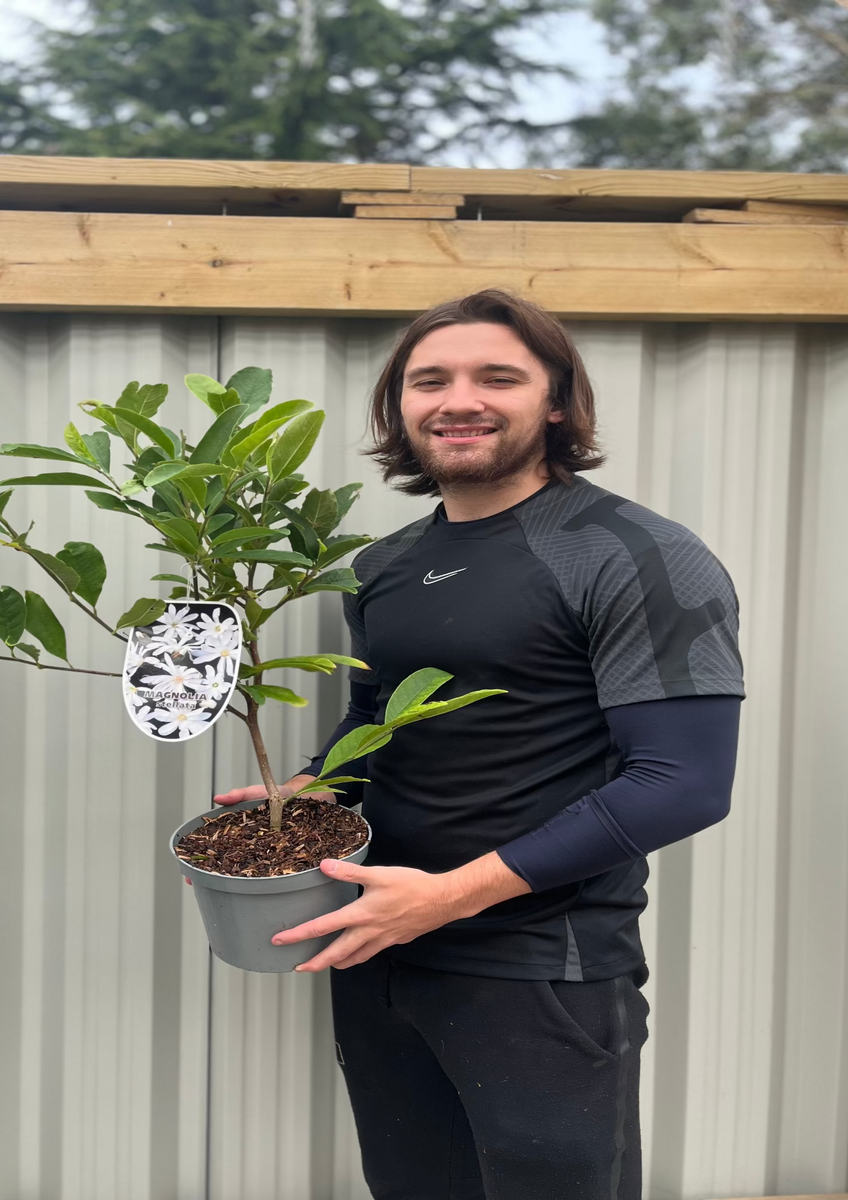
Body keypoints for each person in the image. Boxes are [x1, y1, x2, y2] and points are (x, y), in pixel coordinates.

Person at [213, 288, 743, 1200]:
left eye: (497, 376)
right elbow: (378, 719)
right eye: (431, 381)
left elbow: (683, 782)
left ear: (558, 402)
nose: (459, 399)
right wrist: (307, 791)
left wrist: (449, 898)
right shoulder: (384, 566)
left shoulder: (629, 552)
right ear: (399, 408)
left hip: (541, 969)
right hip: (380, 948)